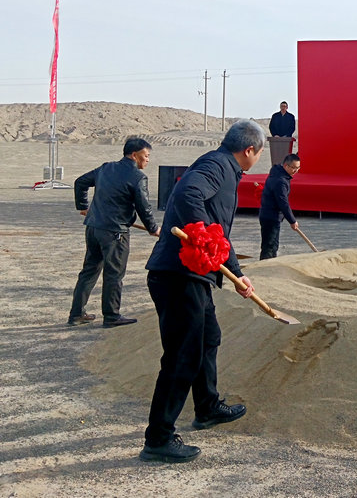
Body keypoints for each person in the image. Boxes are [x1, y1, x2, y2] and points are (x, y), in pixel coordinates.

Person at [139, 119, 265, 463]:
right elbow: (187, 195)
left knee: (209, 338)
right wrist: (203, 238)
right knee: (182, 356)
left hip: (193, 277)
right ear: (249, 150)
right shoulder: (217, 165)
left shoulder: (224, 167)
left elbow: (218, 233)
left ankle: (207, 406)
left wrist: (237, 274)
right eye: (259, 153)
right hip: (178, 277)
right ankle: (159, 438)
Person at [69, 137, 160, 327]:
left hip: (93, 227)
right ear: (134, 155)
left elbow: (80, 182)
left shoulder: (106, 168)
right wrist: (153, 228)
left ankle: (76, 314)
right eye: (146, 155)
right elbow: (144, 207)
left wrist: (83, 206)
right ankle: (111, 316)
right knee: (114, 274)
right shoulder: (138, 177)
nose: (148, 160)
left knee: (89, 271)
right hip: (115, 233)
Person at [259, 153, 301, 260]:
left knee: (272, 245)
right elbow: (283, 203)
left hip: (270, 215)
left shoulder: (278, 173)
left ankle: (270, 263)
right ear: (286, 166)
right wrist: (292, 220)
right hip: (271, 216)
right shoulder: (280, 181)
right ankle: (265, 266)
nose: (296, 171)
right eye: (293, 168)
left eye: (298, 168)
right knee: (270, 246)